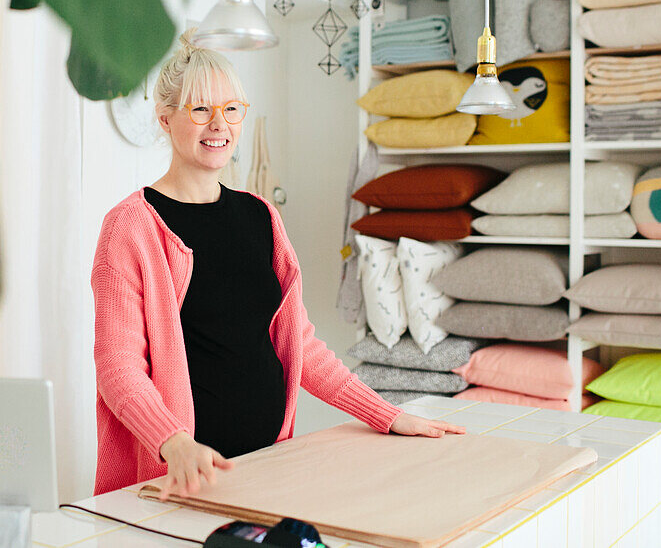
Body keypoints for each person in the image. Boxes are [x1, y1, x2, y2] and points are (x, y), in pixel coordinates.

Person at [91, 30, 464, 499]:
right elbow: (118, 368)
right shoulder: (131, 227)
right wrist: (175, 443)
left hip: (267, 465)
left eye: (231, 109)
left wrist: (386, 413)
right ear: (166, 119)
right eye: (200, 109)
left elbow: (299, 344)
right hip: (179, 480)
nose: (219, 125)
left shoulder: (261, 215)